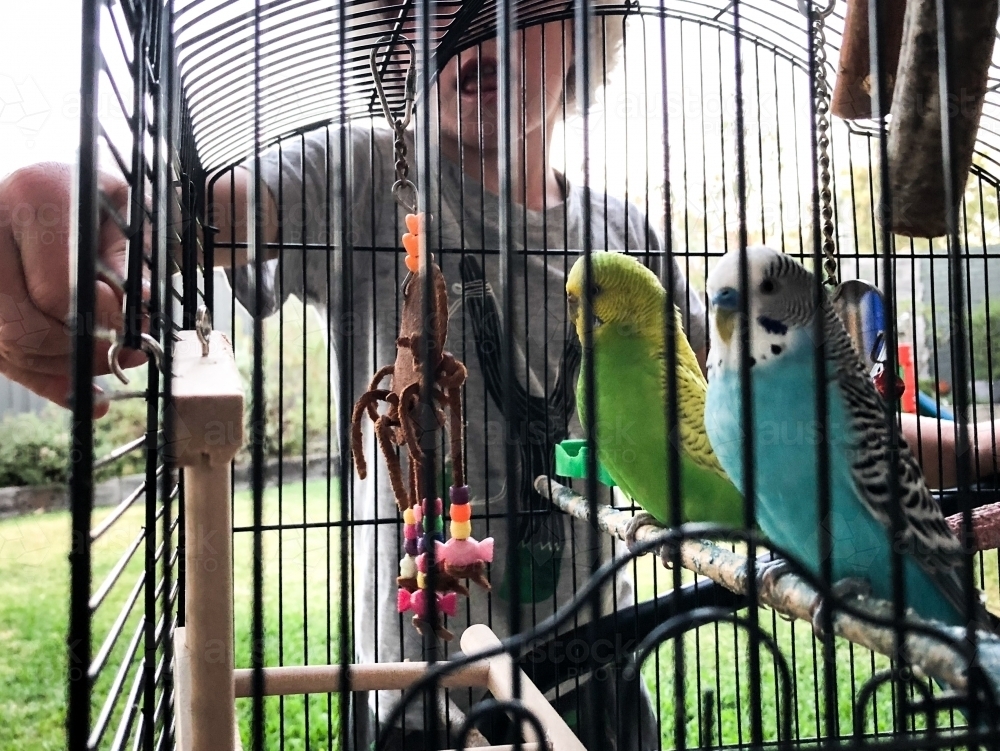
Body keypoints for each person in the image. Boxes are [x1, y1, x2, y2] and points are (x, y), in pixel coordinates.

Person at [0, 17, 995, 751]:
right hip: (414, 684)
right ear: (397, 59)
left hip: (602, 667)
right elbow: (181, 218)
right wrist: (77, 211)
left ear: (587, 39)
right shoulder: (358, 178)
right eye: (430, 10)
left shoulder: (626, 238)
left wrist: (982, 448)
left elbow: (798, 413)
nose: (472, 19)